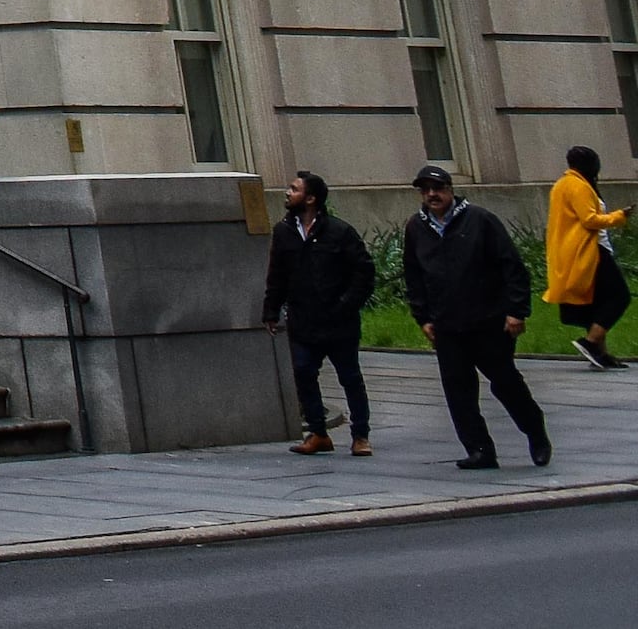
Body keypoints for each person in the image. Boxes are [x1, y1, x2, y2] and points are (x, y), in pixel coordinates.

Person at [400, 163, 550, 469]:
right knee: (458, 390)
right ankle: (479, 448)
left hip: (488, 320)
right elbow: (414, 276)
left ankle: (535, 432)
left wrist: (516, 311)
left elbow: (512, 266)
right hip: (447, 325)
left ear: (451, 190)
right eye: (426, 190)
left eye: (438, 189)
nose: (432, 195)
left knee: (506, 382)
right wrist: (424, 317)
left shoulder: (480, 220)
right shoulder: (417, 228)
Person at [259, 170, 374, 454]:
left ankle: (360, 435)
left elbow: (364, 271)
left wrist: (347, 304)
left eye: (294, 189)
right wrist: (271, 310)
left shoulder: (339, 231)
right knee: (303, 373)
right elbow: (277, 275)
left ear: (310, 198)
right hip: (304, 321)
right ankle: (318, 433)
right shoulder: (284, 232)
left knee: (350, 377)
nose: (287, 192)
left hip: (339, 322)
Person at [550, 145, 626, 372]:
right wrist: (619, 217)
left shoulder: (564, 184)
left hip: (578, 249)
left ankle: (601, 353)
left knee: (598, 301)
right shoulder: (577, 185)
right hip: (591, 249)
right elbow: (590, 220)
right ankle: (591, 343)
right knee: (619, 296)